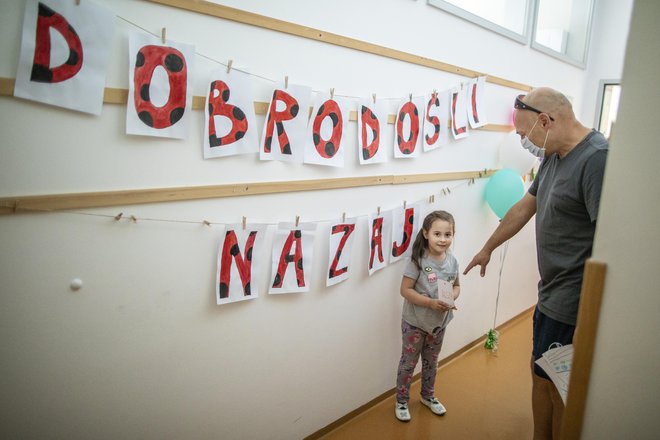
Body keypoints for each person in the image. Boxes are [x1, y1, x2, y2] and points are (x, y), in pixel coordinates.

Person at [463, 87, 608, 439]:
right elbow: (526, 206)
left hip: (572, 300)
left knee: (559, 386)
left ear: (546, 120)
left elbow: (607, 240)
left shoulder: (596, 160)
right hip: (550, 291)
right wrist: (488, 247)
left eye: (524, 134)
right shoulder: (554, 156)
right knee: (539, 371)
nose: (524, 143)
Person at [395, 210, 460, 422]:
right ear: (425, 233)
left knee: (431, 362)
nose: (443, 239)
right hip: (414, 323)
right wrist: (430, 303)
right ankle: (402, 401)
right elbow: (405, 290)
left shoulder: (453, 261)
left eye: (447, 234)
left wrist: (451, 299)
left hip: (438, 325)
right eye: (437, 234)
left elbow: (457, 286)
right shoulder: (417, 260)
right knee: (408, 363)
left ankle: (427, 396)